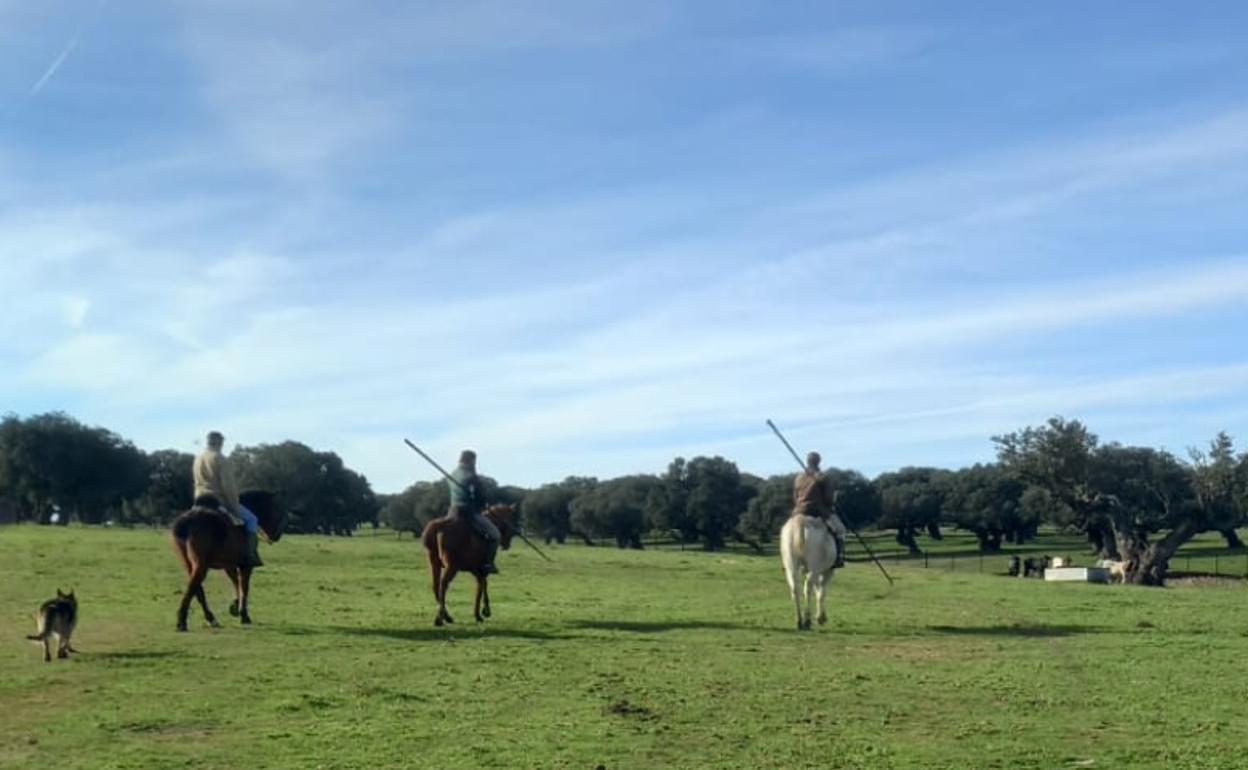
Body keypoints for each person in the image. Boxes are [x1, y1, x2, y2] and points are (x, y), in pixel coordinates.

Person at [193, 431, 262, 567]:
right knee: (252, 519)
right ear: (219, 442)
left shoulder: (198, 458)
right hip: (217, 499)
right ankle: (250, 555)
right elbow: (228, 487)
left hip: (199, 500)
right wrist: (234, 508)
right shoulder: (220, 459)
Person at [447, 450, 500, 574]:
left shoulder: (451, 475)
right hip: (468, 512)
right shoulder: (471, 476)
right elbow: (480, 495)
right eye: (474, 461)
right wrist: (482, 505)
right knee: (495, 535)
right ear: (471, 460)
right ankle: (488, 563)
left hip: (452, 512)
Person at [792, 451, 846, 568]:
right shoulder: (823, 477)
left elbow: (795, 497)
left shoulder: (798, 478)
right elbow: (828, 499)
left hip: (798, 512)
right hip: (818, 511)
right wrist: (832, 503)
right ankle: (839, 557)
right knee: (840, 529)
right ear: (819, 462)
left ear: (807, 462)